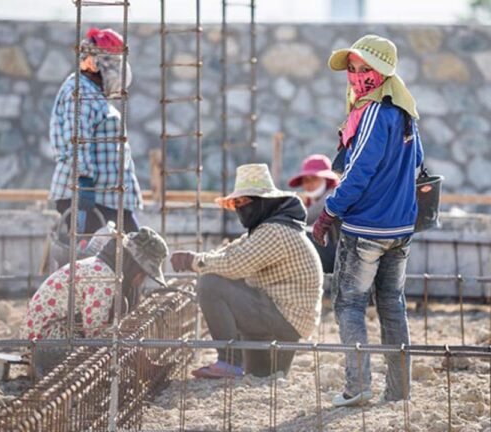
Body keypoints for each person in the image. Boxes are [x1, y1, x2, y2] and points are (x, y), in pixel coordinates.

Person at [312, 35, 423, 407]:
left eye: (366, 69)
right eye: (353, 69)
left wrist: (329, 212)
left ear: (384, 73)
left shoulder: (373, 112)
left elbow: (358, 172)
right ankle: (399, 391)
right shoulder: (405, 112)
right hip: (400, 229)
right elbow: (418, 164)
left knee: (349, 304)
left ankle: (357, 386)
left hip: (365, 229)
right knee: (392, 305)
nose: (358, 77)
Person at [171, 164, 323, 379]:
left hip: (284, 318)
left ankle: (228, 361)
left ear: (262, 202)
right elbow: (229, 252)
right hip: (282, 320)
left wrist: (193, 261)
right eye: (237, 204)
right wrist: (199, 258)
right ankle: (241, 363)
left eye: (243, 202)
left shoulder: (275, 231)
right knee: (261, 376)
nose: (240, 209)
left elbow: (234, 264)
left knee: (211, 283)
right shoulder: (268, 228)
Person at [21, 227, 168, 375]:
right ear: (131, 265)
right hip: (42, 343)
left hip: (50, 335)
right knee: (105, 343)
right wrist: (133, 355)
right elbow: (95, 335)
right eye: (142, 274)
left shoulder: (103, 268)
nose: (141, 281)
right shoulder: (104, 280)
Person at [48, 27, 142, 234]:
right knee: (96, 252)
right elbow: (77, 139)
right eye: (112, 64)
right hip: (90, 198)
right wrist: (83, 180)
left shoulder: (93, 92)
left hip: (108, 199)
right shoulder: (81, 92)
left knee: (135, 249)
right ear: (93, 63)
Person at [288, 154, 340, 273]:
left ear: (326, 180)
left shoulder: (333, 195)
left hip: (338, 255)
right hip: (327, 252)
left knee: (299, 235)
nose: (309, 184)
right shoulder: (309, 201)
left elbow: (304, 218)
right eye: (306, 180)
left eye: (314, 179)